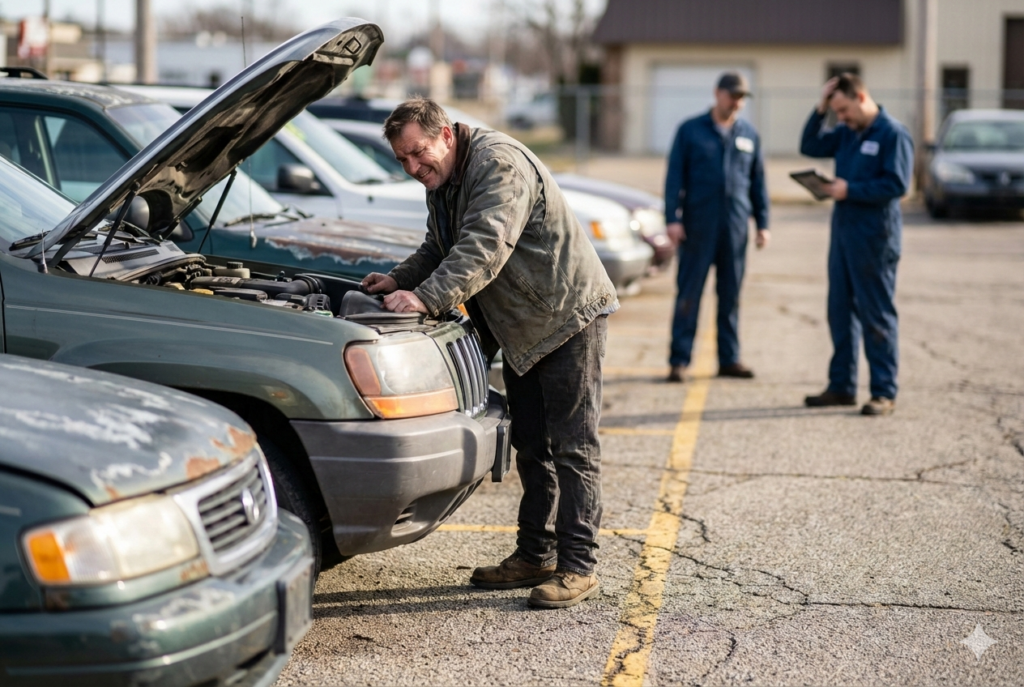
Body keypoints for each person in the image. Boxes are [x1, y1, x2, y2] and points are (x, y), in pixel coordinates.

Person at [361, 98, 618, 609]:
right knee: (531, 445)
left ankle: (578, 567)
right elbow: (440, 247)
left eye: (418, 153)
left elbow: (484, 245)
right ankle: (535, 555)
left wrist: (426, 297)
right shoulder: (444, 181)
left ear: (447, 136)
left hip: (565, 316)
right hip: (522, 326)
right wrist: (399, 279)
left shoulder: (497, 164)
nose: (413, 168)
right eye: (402, 160)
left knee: (572, 448)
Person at [799, 73, 913, 416]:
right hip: (844, 237)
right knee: (839, 313)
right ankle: (841, 386)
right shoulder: (847, 133)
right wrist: (821, 108)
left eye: (845, 110)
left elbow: (897, 184)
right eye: (836, 112)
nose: (842, 118)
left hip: (876, 238)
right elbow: (811, 146)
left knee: (876, 315)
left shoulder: (892, 133)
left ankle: (883, 391)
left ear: (861, 97)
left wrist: (851, 191)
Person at [663, 72, 770, 383]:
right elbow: (674, 178)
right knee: (689, 294)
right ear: (717, 94)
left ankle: (729, 359)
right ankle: (679, 360)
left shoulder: (748, 134)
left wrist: (763, 224)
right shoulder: (691, 131)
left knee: (731, 294)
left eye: (741, 98)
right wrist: (672, 218)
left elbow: (758, 183)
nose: (736, 102)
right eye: (731, 95)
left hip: (734, 228)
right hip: (697, 226)